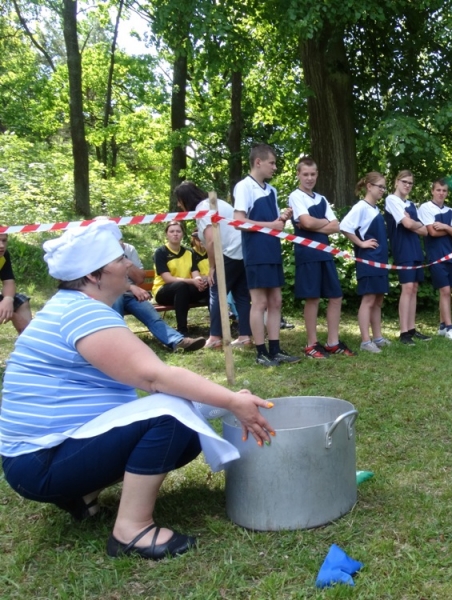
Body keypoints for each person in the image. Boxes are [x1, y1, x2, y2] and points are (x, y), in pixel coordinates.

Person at [0, 221, 275, 560]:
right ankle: (131, 529)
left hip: (43, 454)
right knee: (170, 418)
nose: (129, 266)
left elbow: (156, 385)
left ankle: (81, 494)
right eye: (119, 260)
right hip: (38, 461)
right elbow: (155, 378)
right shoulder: (82, 314)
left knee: (187, 425)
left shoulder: (74, 307)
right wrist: (231, 399)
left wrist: (227, 403)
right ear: (93, 276)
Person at [233, 143, 299, 367]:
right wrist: (271, 224)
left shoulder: (272, 191)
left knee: (276, 301)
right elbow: (239, 222)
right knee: (259, 302)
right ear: (258, 162)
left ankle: (275, 349)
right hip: (256, 252)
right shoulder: (244, 187)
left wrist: (282, 218)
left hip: (272, 250)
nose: (275, 167)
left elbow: (273, 224)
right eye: (272, 162)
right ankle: (261, 352)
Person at [287, 157, 355, 358]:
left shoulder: (322, 199)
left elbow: (336, 226)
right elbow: (305, 222)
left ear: (317, 174)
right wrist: (322, 222)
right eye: (305, 174)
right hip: (307, 253)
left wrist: (315, 224)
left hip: (325, 252)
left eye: (313, 174)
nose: (309, 178)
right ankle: (311, 345)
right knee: (313, 298)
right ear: (298, 174)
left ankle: (333, 342)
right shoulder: (296, 196)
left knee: (336, 295)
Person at [174, 181, 253, 349]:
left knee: (216, 291)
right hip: (244, 249)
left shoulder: (202, 209)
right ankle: (245, 336)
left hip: (229, 252)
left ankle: (215, 336)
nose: (178, 205)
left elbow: (211, 240)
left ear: (184, 199)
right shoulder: (218, 203)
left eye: (179, 201)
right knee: (241, 294)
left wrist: (212, 267)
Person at [112, 236, 205, 352]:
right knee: (115, 313)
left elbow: (140, 279)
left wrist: (121, 257)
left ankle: (178, 341)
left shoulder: (128, 249)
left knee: (154, 318)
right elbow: (101, 281)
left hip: (132, 295)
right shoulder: (94, 252)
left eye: (118, 235)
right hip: (111, 294)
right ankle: (116, 345)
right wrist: (130, 286)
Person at [340, 172, 391, 353]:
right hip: (369, 261)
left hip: (380, 261)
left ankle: (377, 337)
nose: (383, 191)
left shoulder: (375, 209)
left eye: (384, 187)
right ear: (369, 186)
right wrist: (361, 243)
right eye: (380, 187)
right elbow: (345, 226)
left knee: (378, 299)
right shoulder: (361, 207)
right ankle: (365, 340)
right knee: (368, 299)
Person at [384, 170, 430, 345]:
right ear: (396, 181)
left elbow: (425, 230)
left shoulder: (410, 204)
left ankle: (411, 328)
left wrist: (413, 224)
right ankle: (403, 332)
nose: (407, 185)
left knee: (415, 287)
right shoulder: (391, 200)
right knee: (407, 287)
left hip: (415, 248)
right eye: (404, 181)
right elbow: (409, 224)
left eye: (410, 183)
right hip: (402, 248)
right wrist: (413, 224)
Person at [418, 179, 452, 341]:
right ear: (432, 191)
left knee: (449, 290)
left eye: (444, 190)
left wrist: (445, 227)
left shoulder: (451, 211)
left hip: (451, 255)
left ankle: (443, 326)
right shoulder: (425, 208)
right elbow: (432, 232)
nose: (441, 193)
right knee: (444, 291)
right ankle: (451, 328)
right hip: (436, 256)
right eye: (438, 190)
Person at [152, 221, 209, 337]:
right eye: (171, 231)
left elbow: (195, 273)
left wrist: (199, 281)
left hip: (184, 290)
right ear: (166, 234)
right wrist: (192, 281)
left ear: (183, 234)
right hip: (163, 291)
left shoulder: (189, 252)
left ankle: (217, 327)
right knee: (181, 286)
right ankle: (182, 330)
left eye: (178, 231)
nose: (175, 234)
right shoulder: (161, 252)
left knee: (209, 285)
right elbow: (167, 279)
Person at [0, 231, 32, 334]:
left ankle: (28, 343)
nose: (1, 245)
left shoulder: (4, 256)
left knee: (21, 301)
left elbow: (8, 281)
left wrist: (8, 300)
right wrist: (14, 315)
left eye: (4, 240)